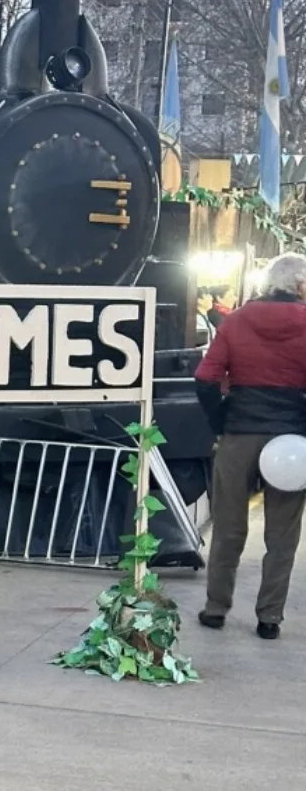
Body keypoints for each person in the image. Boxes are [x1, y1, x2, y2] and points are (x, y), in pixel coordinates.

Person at [194, 252, 306, 641]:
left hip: (239, 432)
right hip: (290, 443)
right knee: (282, 533)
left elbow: (206, 377)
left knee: (227, 525)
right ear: (300, 286)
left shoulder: (237, 319)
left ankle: (215, 608)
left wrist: (221, 421)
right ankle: (269, 617)